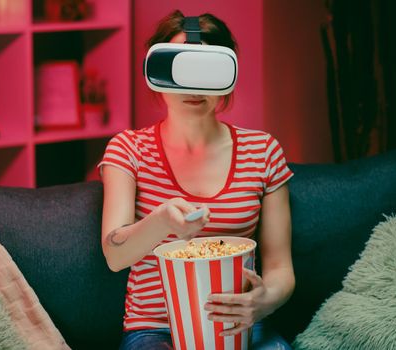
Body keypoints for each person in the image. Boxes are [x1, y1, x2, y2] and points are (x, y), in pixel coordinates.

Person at [99, 9, 295, 350]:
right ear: (158, 74)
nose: (194, 87)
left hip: (240, 327)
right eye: (182, 69)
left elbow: (280, 267)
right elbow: (115, 256)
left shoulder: (263, 151)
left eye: (207, 71)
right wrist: (162, 221)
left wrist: (264, 301)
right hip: (154, 330)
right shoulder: (129, 148)